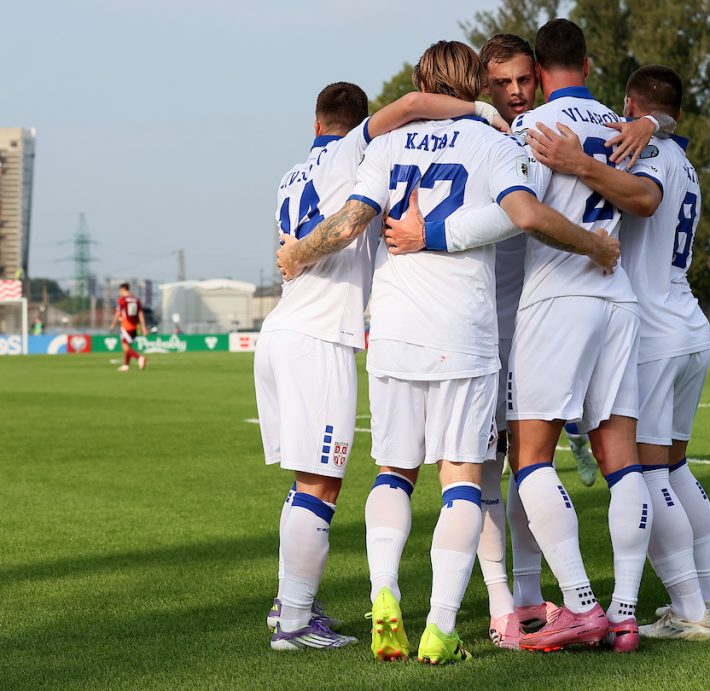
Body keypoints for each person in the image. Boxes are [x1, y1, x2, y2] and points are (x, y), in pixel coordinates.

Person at [275, 40, 619, 664]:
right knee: (462, 478)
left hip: (395, 326)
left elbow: (352, 221)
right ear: (476, 87)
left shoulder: (383, 146)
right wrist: (594, 246)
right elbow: (524, 214)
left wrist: (299, 251)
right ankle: (439, 625)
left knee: (391, 473)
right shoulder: (493, 143)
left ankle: (384, 595)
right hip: (463, 330)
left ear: (420, 82)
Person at [257, 80, 511, 652]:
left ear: (314, 122)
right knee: (321, 484)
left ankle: (291, 605)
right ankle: (295, 621)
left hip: (283, 329)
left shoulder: (291, 174)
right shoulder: (353, 152)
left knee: (311, 482)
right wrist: (477, 110)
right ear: (356, 124)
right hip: (322, 335)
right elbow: (413, 106)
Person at [528, 63, 710, 640]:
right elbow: (656, 130)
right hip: (687, 322)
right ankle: (709, 593)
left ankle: (689, 610)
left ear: (631, 104)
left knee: (648, 474)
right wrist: (650, 121)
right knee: (675, 469)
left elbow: (638, 197)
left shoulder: (653, 151)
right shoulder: (681, 154)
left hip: (654, 330)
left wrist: (579, 163)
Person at [502, 18, 667, 654]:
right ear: (590, 66)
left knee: (532, 456)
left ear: (539, 74)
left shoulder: (532, 129)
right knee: (621, 459)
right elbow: (646, 200)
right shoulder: (623, 128)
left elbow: (522, 214)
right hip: (618, 300)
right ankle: (625, 612)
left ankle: (580, 604)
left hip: (559, 298)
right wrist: (651, 123)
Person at [109, 283, 147, 372]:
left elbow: (118, 312)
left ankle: (139, 358)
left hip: (126, 326)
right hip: (134, 326)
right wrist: (143, 327)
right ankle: (126, 365)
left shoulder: (122, 300)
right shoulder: (136, 300)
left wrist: (113, 323)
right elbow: (140, 314)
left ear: (123, 290)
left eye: (120, 291)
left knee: (125, 347)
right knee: (128, 347)